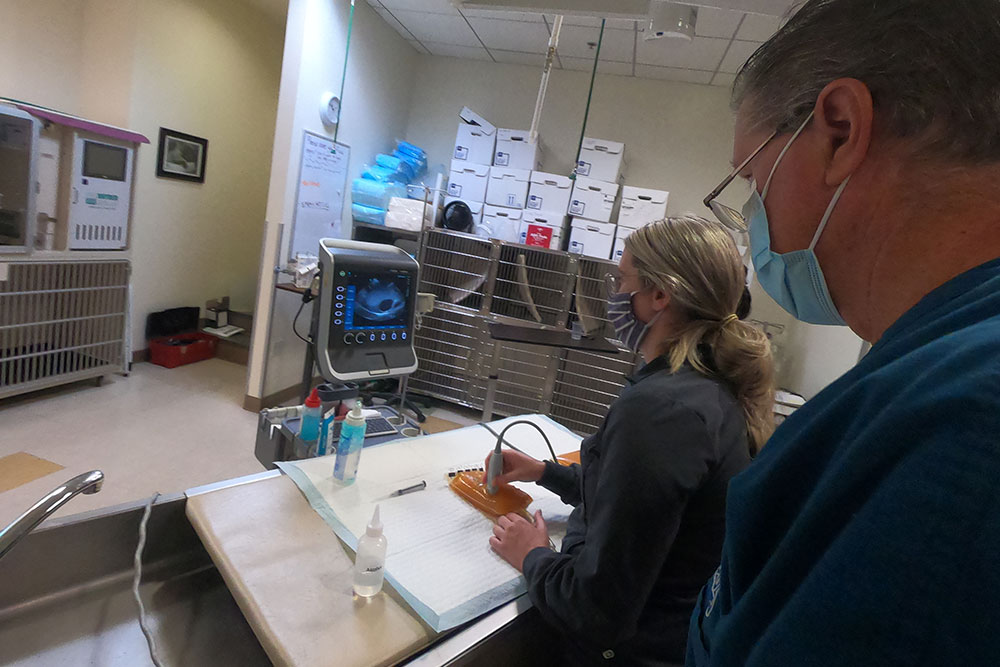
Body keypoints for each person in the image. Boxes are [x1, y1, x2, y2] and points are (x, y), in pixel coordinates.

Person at [690, 1, 1000, 664]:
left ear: (838, 130)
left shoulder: (954, 434)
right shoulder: (933, 368)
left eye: (750, 179)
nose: (754, 219)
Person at [486, 217, 775, 666]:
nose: (614, 295)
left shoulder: (661, 411)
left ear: (659, 296)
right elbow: (647, 502)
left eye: (622, 281)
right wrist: (545, 472)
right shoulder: (705, 389)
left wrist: (533, 555)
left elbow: (595, 608)